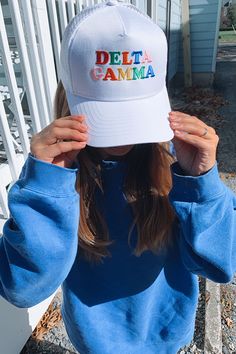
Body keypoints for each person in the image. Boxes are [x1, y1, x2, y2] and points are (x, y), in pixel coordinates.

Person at [0, 1, 236, 353]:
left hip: (167, 335)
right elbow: (23, 288)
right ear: (69, 94)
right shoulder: (56, 177)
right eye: (107, 116)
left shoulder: (176, 166)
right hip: (95, 342)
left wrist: (202, 183)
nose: (124, 137)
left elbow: (221, 265)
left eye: (133, 114)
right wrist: (45, 190)